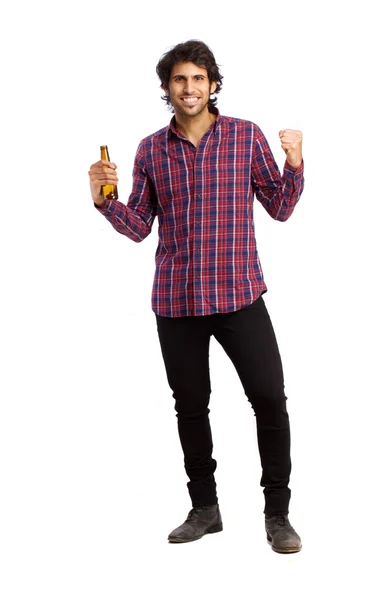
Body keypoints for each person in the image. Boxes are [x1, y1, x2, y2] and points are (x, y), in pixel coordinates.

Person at [88, 40, 305, 554]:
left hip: (240, 294)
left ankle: (278, 514)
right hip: (177, 301)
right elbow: (139, 225)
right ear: (168, 89)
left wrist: (294, 163)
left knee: (270, 400)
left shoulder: (246, 137)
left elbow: (279, 207)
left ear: (212, 84)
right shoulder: (150, 149)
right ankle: (205, 509)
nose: (189, 88)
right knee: (190, 407)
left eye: (198, 78)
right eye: (179, 80)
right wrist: (103, 201)